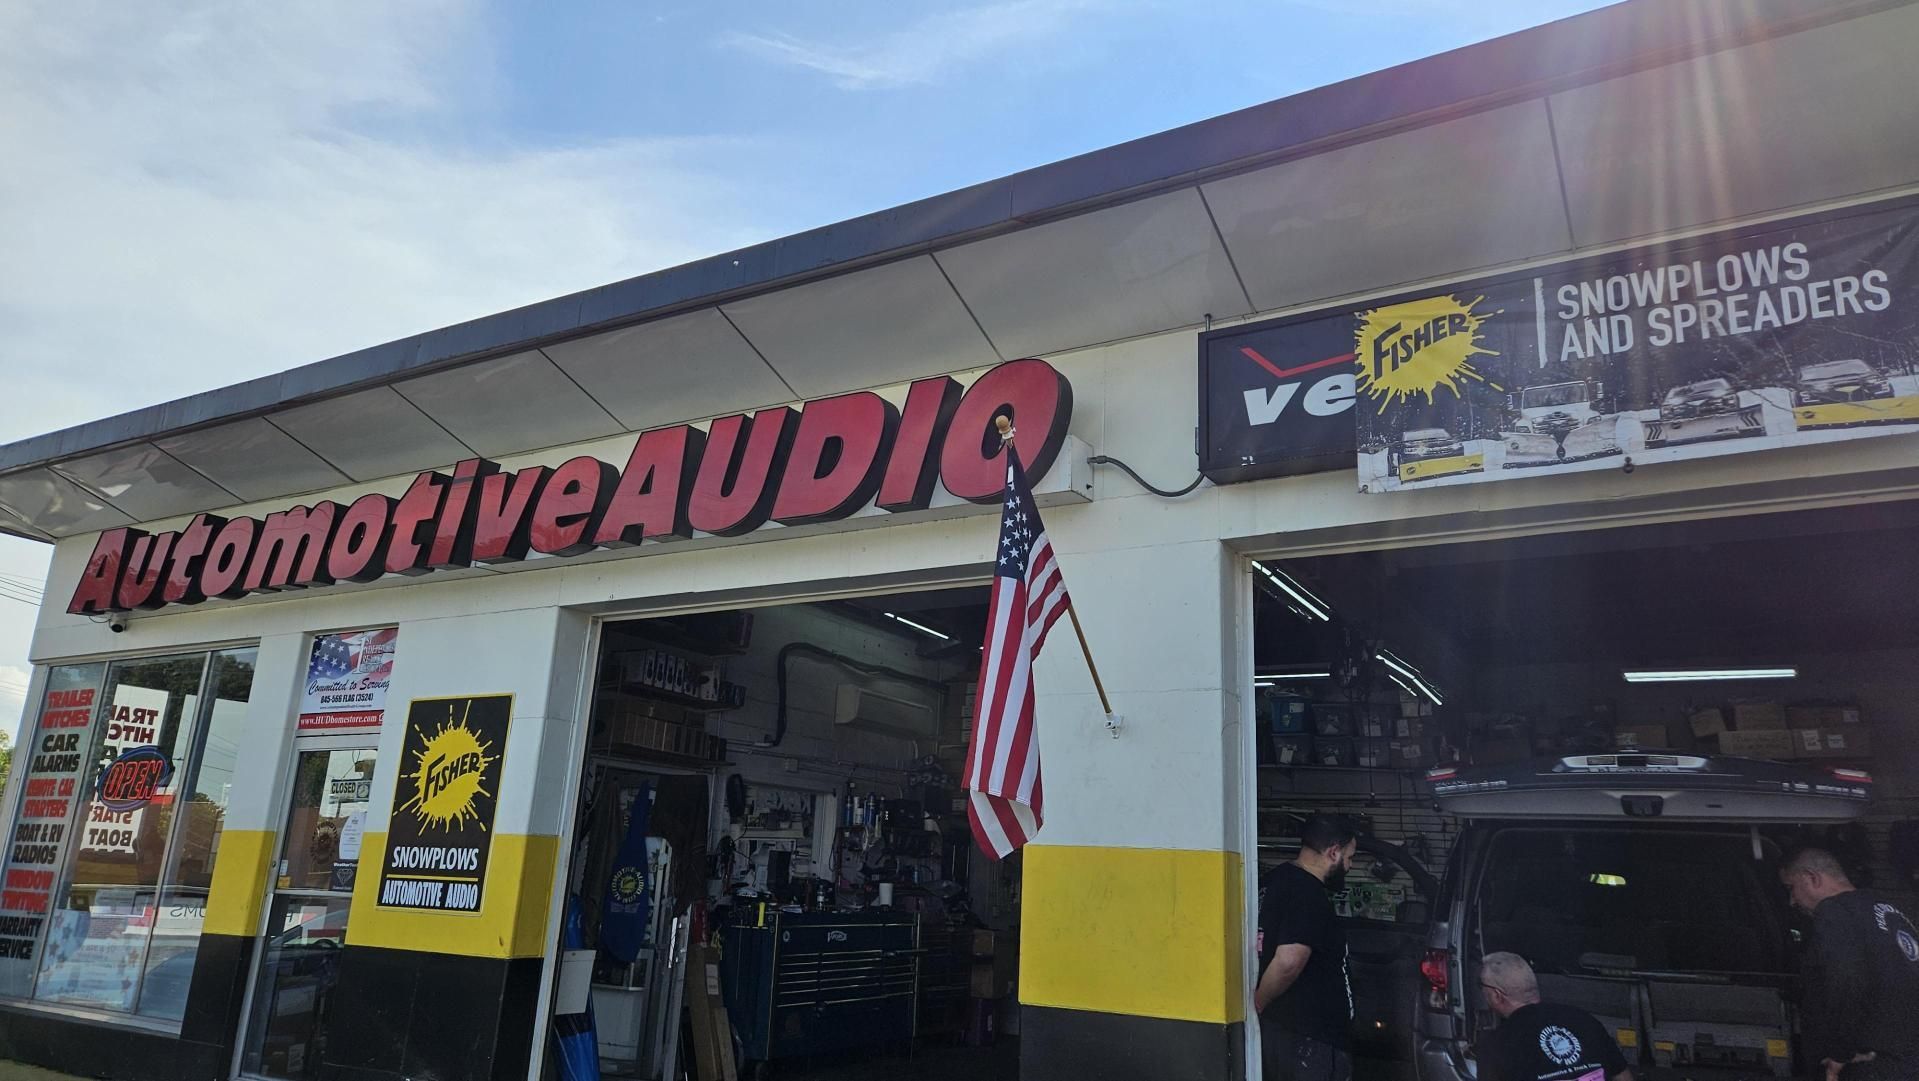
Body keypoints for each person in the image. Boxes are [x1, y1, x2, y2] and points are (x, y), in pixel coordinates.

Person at [1780, 847, 1919, 1081]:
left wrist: (1840, 1054)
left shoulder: (1835, 911)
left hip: (1870, 1064)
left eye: (1791, 888)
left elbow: (1847, 980)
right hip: (1905, 1058)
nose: (1792, 901)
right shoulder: (1887, 909)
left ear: (1811, 877)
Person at [1255, 814, 1358, 1081]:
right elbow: (1289, 960)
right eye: (1349, 857)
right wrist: (1258, 1002)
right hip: (1311, 1041)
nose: (1350, 865)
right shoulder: (1308, 894)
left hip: (1285, 1033)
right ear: (1333, 853)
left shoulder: (1275, 880)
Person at [1475, 952, 1632, 1081]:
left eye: (1482, 986)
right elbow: (1623, 1076)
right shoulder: (1584, 1019)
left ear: (1497, 995)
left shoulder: (1496, 1044)